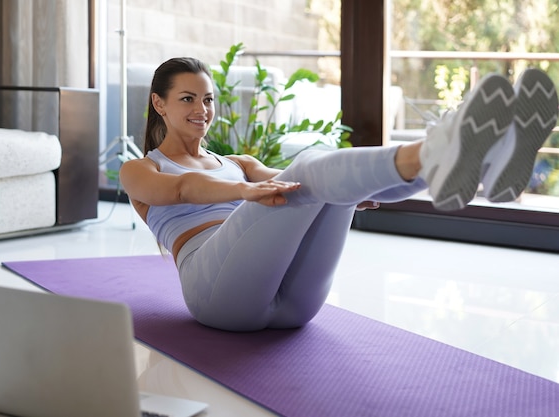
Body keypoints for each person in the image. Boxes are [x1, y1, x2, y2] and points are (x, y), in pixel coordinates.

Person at [120, 58, 557, 332]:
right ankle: (442, 148)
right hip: (215, 294)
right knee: (311, 166)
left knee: (326, 184)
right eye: (188, 99)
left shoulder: (239, 162)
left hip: (295, 307)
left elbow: (308, 182)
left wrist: (351, 187)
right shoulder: (141, 169)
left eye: (209, 99)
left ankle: (478, 160)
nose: (203, 110)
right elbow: (181, 189)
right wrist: (245, 190)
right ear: (159, 104)